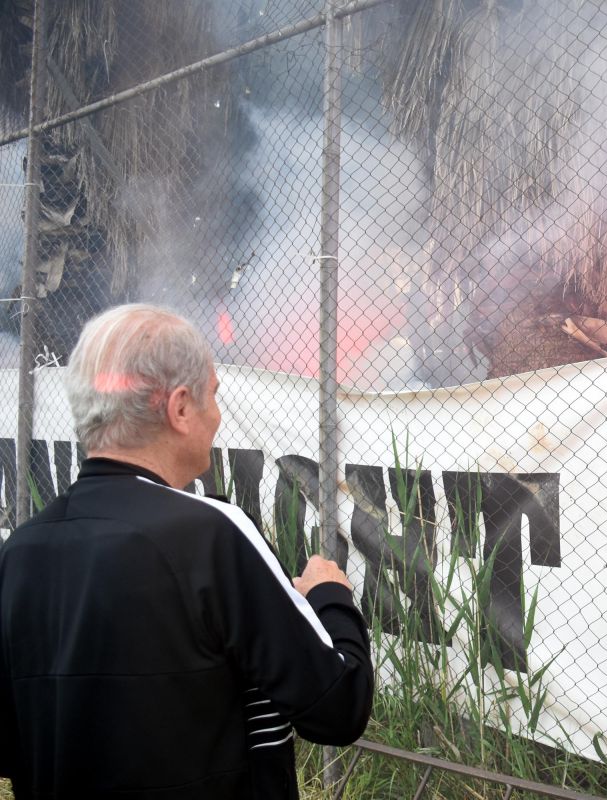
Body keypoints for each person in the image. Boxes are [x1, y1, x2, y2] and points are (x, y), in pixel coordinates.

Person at [0, 304, 374, 799]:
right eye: (213, 397)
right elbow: (337, 706)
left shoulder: (21, 551)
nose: (217, 416)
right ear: (179, 408)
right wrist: (330, 595)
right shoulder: (211, 534)